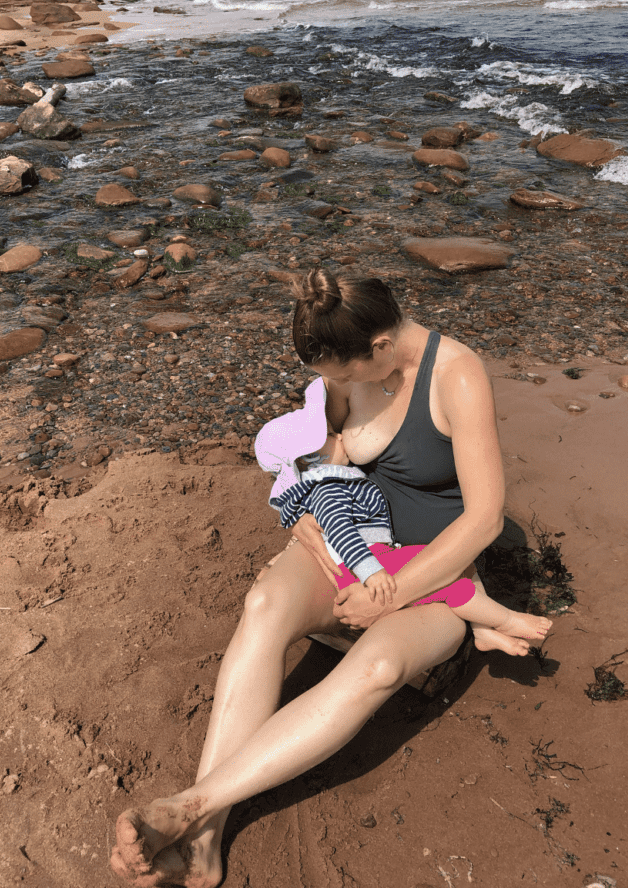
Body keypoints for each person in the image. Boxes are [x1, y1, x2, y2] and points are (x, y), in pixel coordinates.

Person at [111, 268, 545, 888]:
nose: (330, 386)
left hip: (431, 565)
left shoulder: (458, 376)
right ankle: (203, 844)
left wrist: (388, 595)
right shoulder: (347, 373)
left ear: (379, 348)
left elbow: (483, 520)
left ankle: (193, 808)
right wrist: (311, 510)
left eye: (340, 374)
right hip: (354, 537)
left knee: (378, 667)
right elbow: (329, 449)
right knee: (264, 604)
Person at [255, 382, 551, 646]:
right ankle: (505, 620)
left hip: (373, 559)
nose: (341, 434)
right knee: (448, 574)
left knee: (451, 568)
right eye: (332, 435)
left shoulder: (336, 481)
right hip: (362, 567)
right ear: (312, 458)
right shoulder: (329, 490)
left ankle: (481, 629)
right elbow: (341, 532)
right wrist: (372, 572)